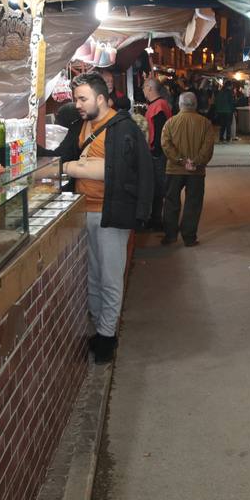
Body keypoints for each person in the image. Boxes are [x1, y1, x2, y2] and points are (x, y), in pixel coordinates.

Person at [54, 73, 153, 364]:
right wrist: (79, 165)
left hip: (112, 214)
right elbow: (60, 158)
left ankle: (107, 337)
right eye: (76, 99)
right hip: (83, 211)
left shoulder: (124, 129)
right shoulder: (79, 126)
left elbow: (119, 173)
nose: (78, 104)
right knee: (93, 276)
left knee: (110, 278)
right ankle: (99, 327)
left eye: (82, 99)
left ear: (100, 98)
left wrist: (76, 168)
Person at [159, 92, 216, 246]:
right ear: (195, 105)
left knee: (171, 202)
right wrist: (195, 162)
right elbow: (208, 147)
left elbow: (165, 145)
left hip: (174, 170)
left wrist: (180, 160)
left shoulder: (170, 123)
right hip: (196, 172)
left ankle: (170, 235)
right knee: (193, 203)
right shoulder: (205, 123)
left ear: (180, 104)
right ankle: (189, 238)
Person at [142, 79, 173, 231]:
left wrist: (155, 151)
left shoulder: (158, 106)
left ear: (149, 88)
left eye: (144, 87)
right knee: (157, 187)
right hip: (157, 152)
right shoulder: (159, 104)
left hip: (157, 154)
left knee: (159, 188)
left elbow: (160, 131)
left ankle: (157, 220)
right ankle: (156, 219)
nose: (143, 91)